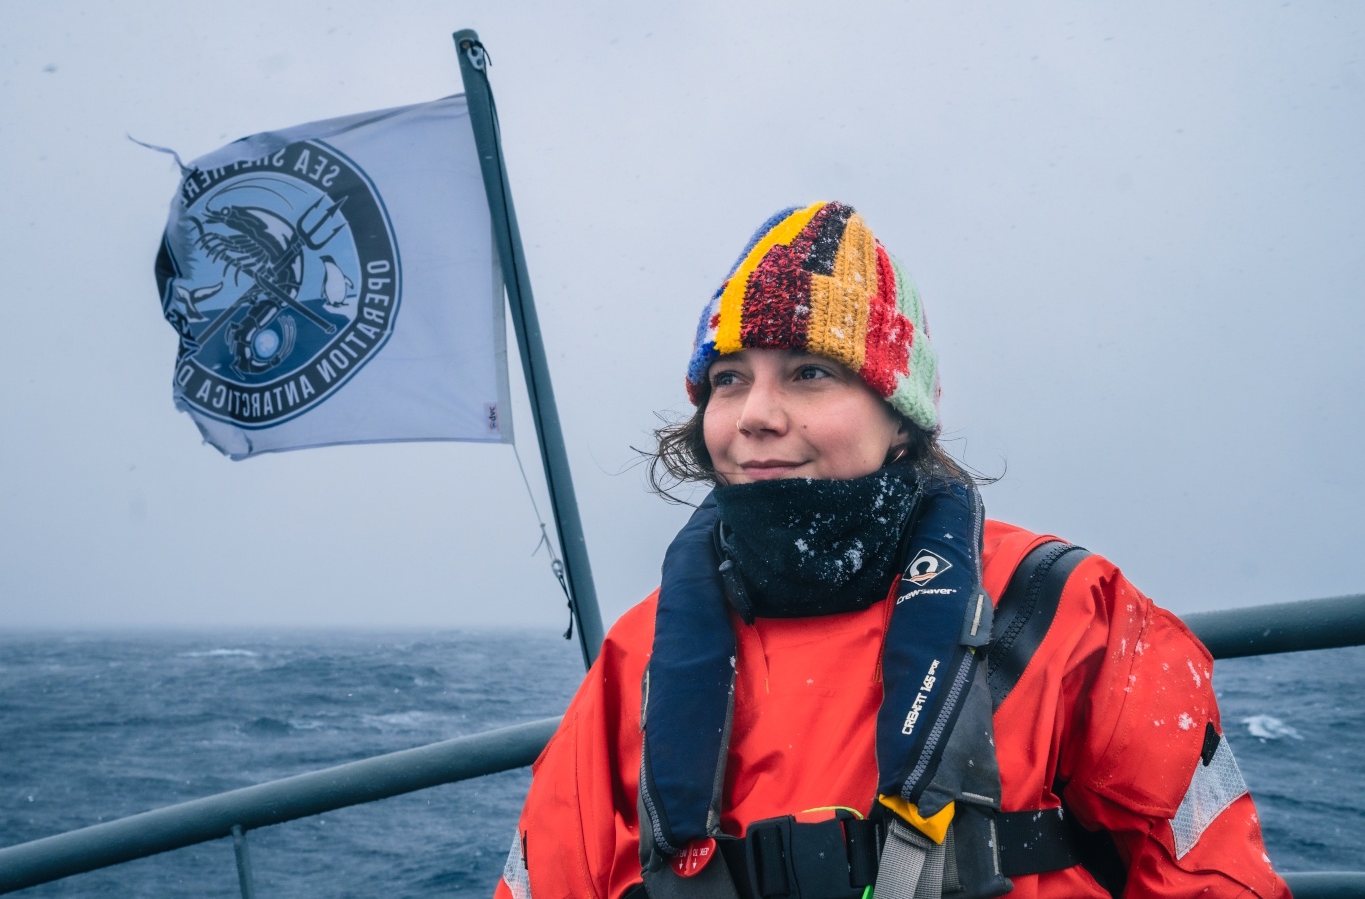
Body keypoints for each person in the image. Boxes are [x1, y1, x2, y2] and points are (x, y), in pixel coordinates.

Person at [495, 203, 1288, 899]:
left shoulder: (1068, 612)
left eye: (809, 372)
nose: (756, 414)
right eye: (729, 379)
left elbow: (1211, 873)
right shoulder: (636, 662)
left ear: (902, 415)